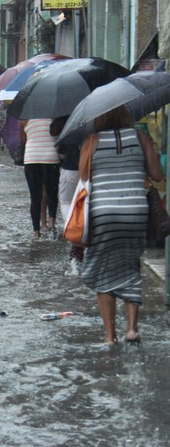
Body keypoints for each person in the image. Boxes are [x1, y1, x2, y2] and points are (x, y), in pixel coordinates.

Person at [79, 105, 163, 345]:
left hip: (103, 215)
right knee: (131, 267)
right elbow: (157, 175)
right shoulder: (140, 137)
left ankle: (109, 336)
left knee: (104, 269)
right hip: (136, 213)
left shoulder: (91, 141)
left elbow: (83, 179)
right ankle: (132, 329)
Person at [51, 116, 84, 275]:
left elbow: (61, 154)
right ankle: (80, 236)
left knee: (65, 203)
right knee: (83, 205)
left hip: (69, 170)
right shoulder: (89, 128)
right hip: (86, 174)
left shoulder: (67, 129)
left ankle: (71, 229)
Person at [19, 118, 60, 240]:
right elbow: (58, 137)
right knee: (52, 192)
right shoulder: (54, 118)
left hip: (31, 158)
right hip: (50, 157)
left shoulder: (23, 120)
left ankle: (36, 232)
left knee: (35, 196)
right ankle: (52, 222)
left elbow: (22, 141)